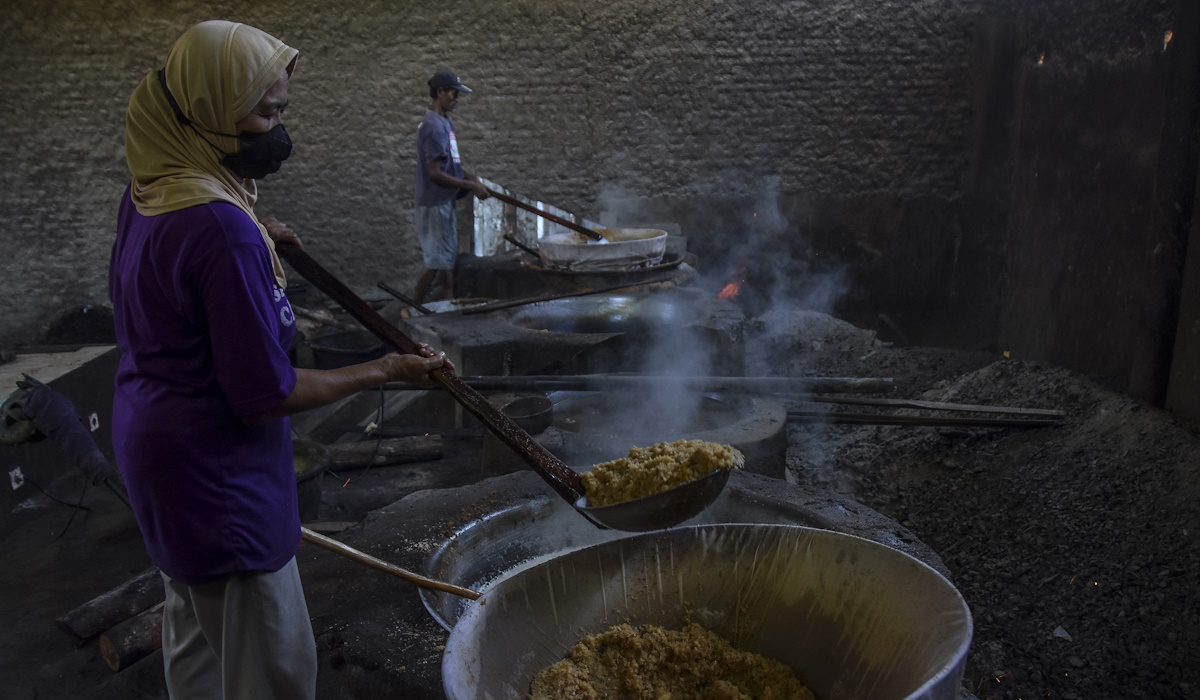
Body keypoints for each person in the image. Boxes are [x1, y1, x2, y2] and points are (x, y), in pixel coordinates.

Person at [110, 20, 453, 700]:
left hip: (158, 452)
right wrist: (388, 369)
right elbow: (265, 392)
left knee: (204, 648)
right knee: (274, 672)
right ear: (208, 110)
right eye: (265, 113)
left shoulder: (154, 189)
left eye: (282, 111)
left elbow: (177, 276)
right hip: (218, 474)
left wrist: (251, 225)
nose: (277, 131)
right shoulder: (220, 231)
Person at [413, 68, 490, 303]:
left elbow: (450, 165)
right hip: (434, 202)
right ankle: (411, 305)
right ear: (439, 93)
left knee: (445, 257)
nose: (456, 99)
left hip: (443, 200)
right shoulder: (433, 126)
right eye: (453, 94)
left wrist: (471, 177)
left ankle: (449, 299)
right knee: (437, 261)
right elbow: (435, 173)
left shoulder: (445, 122)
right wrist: (469, 184)